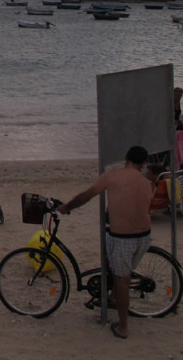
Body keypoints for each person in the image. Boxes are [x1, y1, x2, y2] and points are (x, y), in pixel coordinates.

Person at [57, 145, 154, 340]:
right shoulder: (147, 182)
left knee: (122, 280)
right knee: (120, 272)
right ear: (143, 163)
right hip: (144, 237)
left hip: (122, 239)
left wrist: (67, 206)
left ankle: (123, 327)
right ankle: (111, 297)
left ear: (126, 157)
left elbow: (87, 194)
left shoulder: (112, 176)